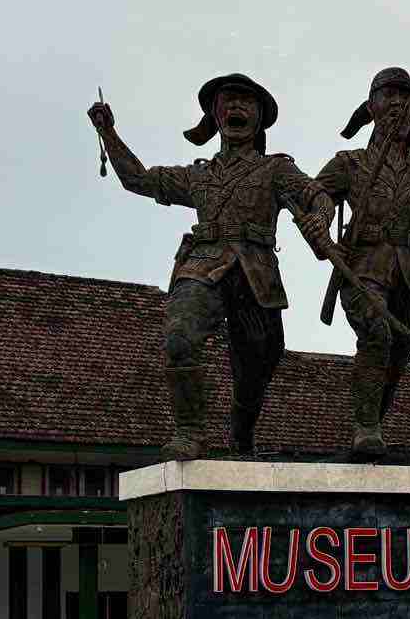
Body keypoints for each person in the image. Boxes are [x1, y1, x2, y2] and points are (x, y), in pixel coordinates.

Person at [88, 76, 336, 458]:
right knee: (179, 338)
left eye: (246, 103)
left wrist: (320, 215)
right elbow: (137, 179)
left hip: (256, 273)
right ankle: (190, 431)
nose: (237, 109)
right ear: (214, 116)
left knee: (259, 364)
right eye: (229, 102)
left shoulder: (276, 171)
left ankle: (241, 427)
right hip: (204, 264)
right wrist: (109, 133)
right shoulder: (198, 174)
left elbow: (316, 193)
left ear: (260, 119)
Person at [317, 67, 410, 458]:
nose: (398, 103)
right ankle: (366, 427)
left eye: (405, 96)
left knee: (398, 352)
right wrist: (319, 222)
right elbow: (312, 198)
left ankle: (370, 423)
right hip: (363, 268)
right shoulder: (349, 164)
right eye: (388, 95)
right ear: (372, 106)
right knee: (376, 332)